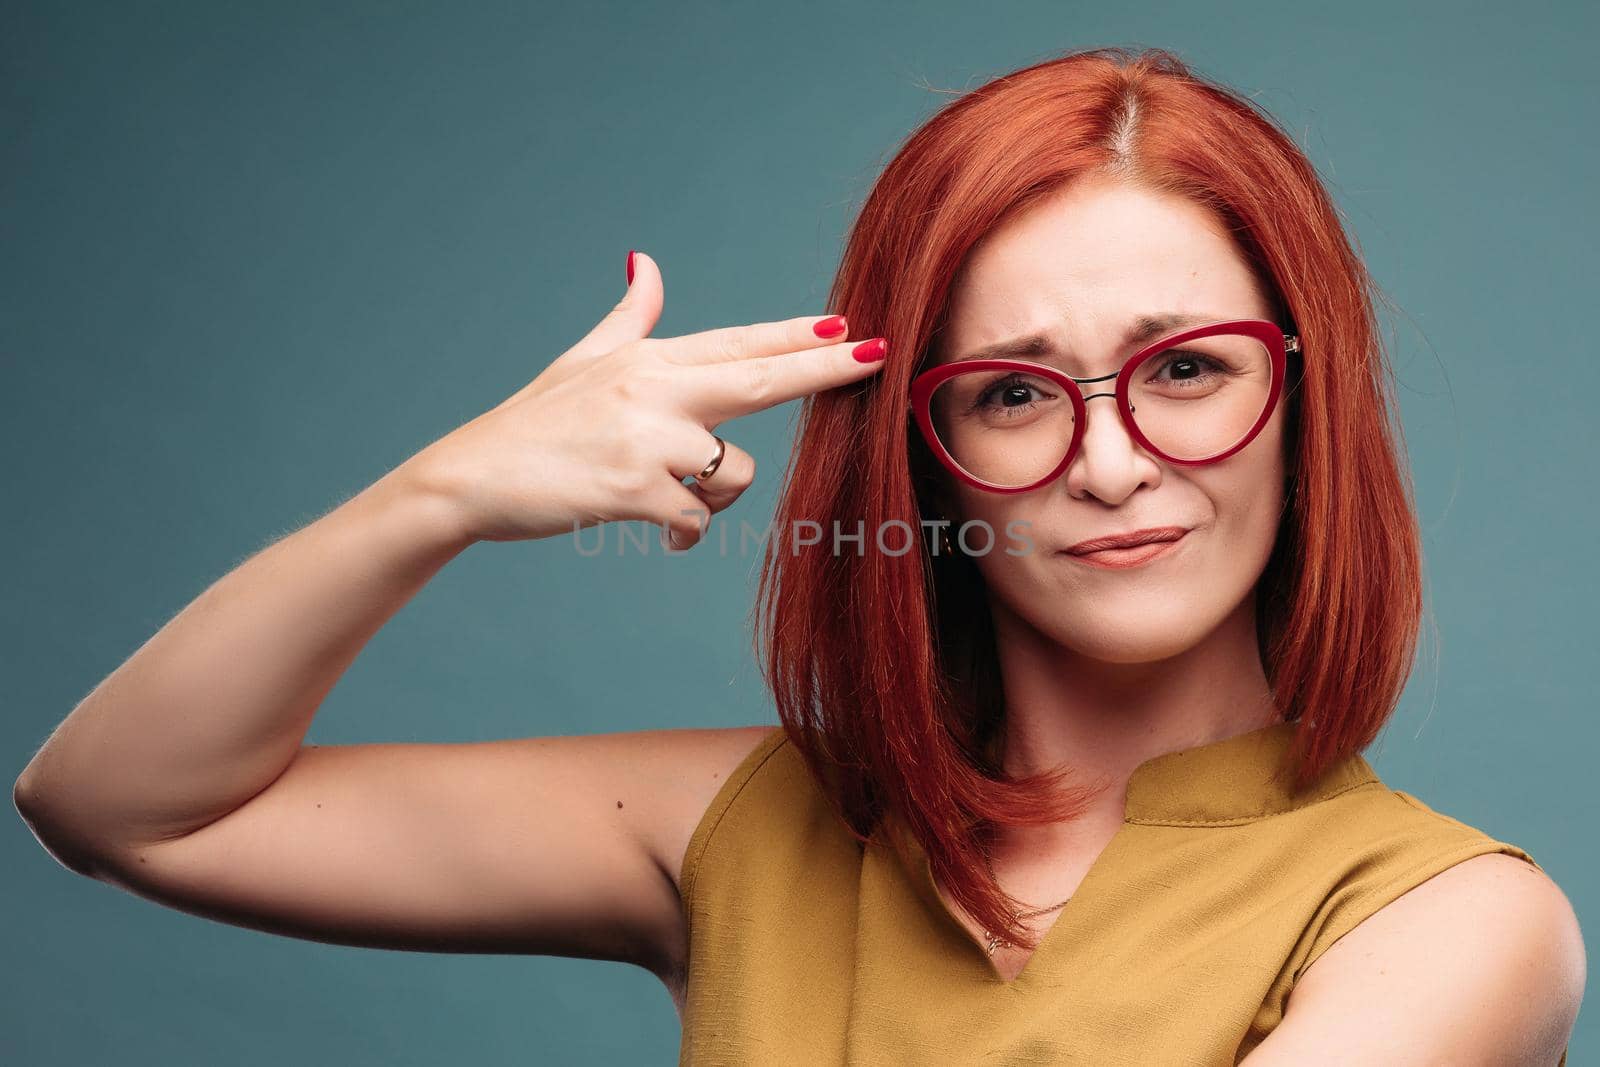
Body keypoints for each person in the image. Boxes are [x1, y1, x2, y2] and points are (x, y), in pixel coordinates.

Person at [13, 45, 1582, 1065]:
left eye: (1188, 370)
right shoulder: (749, 828)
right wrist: (442, 493)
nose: (1111, 464)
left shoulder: (1449, 921)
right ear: (914, 446)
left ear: (1306, 400)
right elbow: (117, 805)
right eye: (1014, 393)